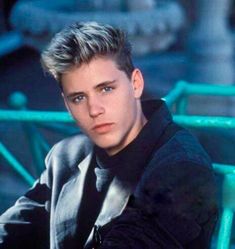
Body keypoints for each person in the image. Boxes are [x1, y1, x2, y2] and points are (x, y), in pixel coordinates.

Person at [0, 22, 218, 249]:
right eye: (78, 98)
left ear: (136, 84)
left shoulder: (182, 167)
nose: (94, 109)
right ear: (67, 104)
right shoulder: (65, 155)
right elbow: (14, 228)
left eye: (106, 89)